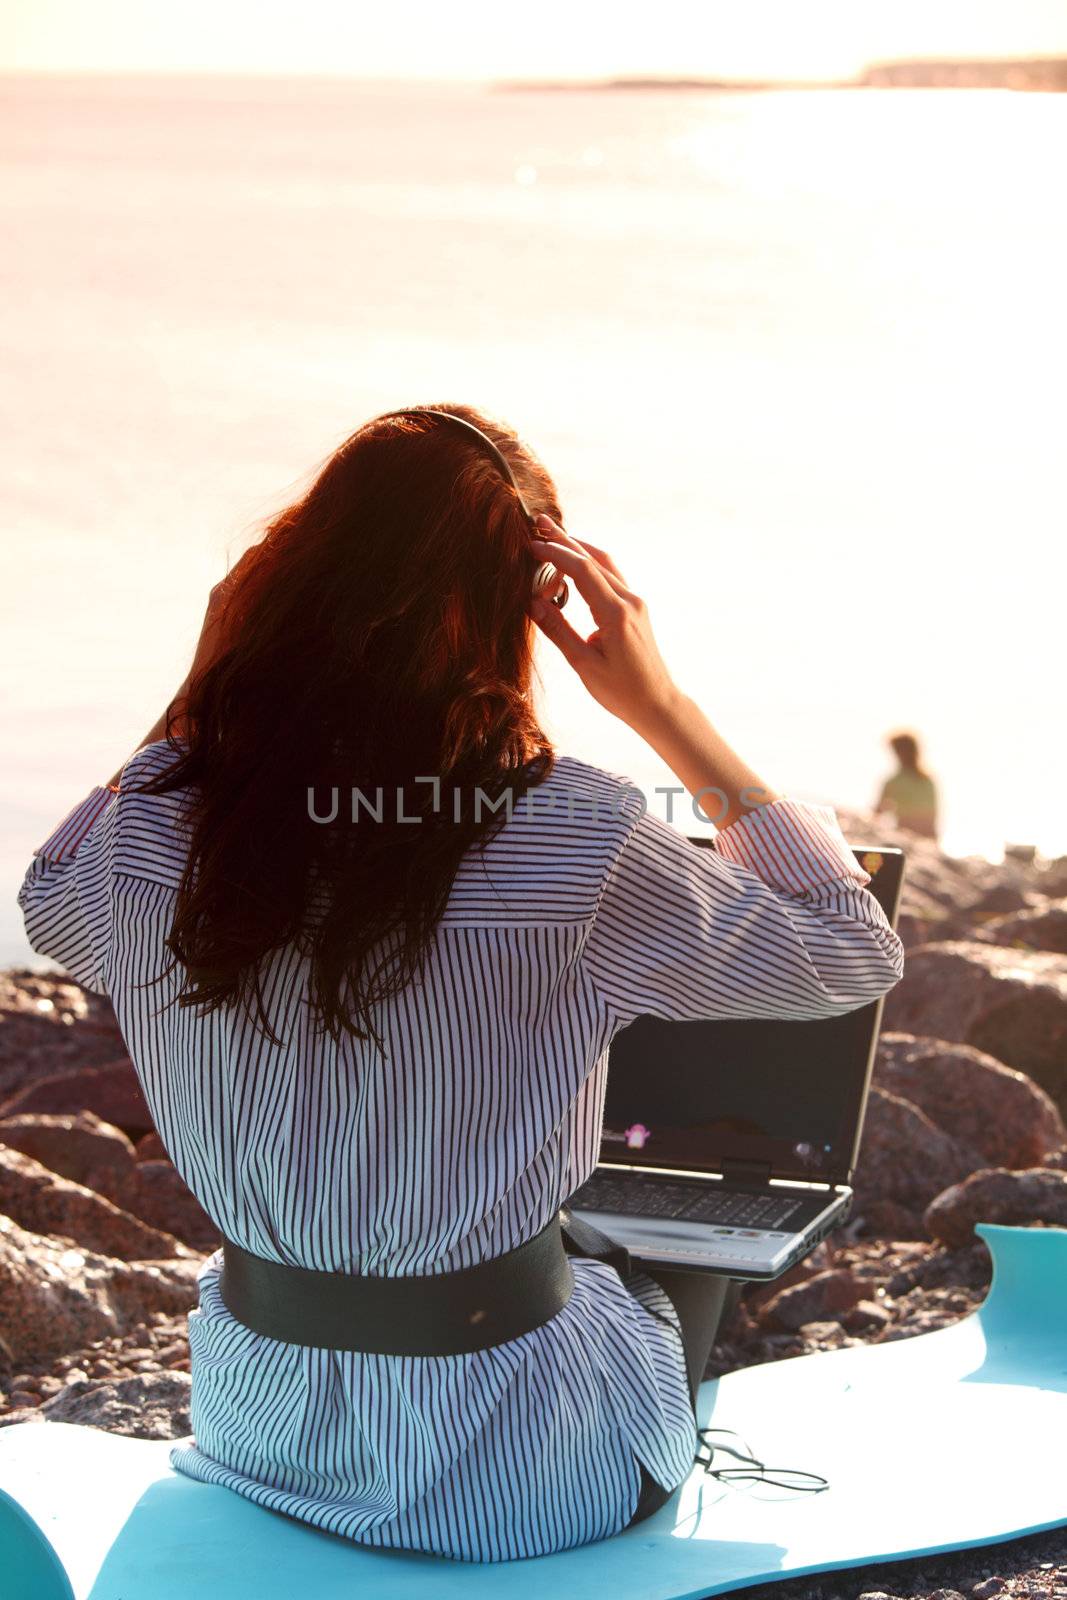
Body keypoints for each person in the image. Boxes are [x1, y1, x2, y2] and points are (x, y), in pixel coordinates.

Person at [17, 404, 904, 1562]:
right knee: (668, 1248)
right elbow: (849, 951)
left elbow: (48, 897)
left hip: (256, 1433)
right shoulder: (574, 832)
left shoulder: (156, 837)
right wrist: (662, 710)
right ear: (510, 610)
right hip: (520, 1476)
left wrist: (205, 685)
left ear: (287, 578)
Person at [876, 731, 939, 841]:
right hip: (928, 835)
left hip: (906, 833)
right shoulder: (928, 779)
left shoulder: (893, 782)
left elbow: (878, 812)